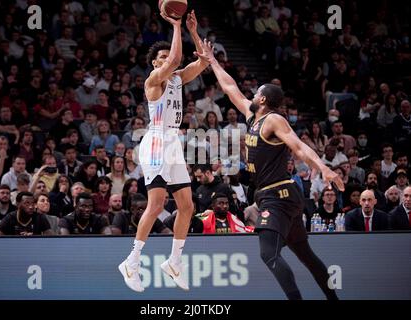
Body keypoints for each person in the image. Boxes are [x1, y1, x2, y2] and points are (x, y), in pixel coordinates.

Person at [196, 39, 343, 300]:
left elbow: (298, 147)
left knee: (269, 253)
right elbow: (231, 89)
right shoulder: (254, 117)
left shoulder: (274, 120)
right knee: (305, 254)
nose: (251, 95)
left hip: (279, 196)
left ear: (262, 99)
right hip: (275, 195)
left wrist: (323, 168)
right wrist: (212, 61)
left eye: (255, 93)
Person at [118, 10, 209, 293]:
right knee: (156, 204)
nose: (165, 59)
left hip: (173, 143)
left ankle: (174, 262)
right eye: (160, 58)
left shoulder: (178, 79)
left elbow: (204, 60)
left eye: (165, 56)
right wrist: (177, 25)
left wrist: (193, 31)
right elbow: (175, 60)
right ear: (154, 65)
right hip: (156, 142)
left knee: (187, 206)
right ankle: (131, 262)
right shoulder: (153, 82)